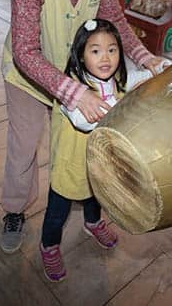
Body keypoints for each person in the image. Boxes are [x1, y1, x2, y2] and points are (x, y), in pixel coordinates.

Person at [0, 0, 162, 255]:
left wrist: (142, 56)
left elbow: (113, 19)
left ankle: (91, 212)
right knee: (24, 148)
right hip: (27, 76)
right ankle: (14, 210)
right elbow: (26, 52)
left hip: (76, 73)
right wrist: (74, 93)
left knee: (81, 146)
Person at [40, 18, 157, 282]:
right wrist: (122, 103)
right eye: (95, 51)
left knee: (97, 197)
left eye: (112, 49)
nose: (106, 58)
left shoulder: (116, 79)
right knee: (58, 211)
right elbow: (84, 121)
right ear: (80, 56)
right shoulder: (72, 89)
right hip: (71, 165)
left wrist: (154, 68)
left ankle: (93, 224)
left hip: (99, 164)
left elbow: (135, 79)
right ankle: (49, 246)